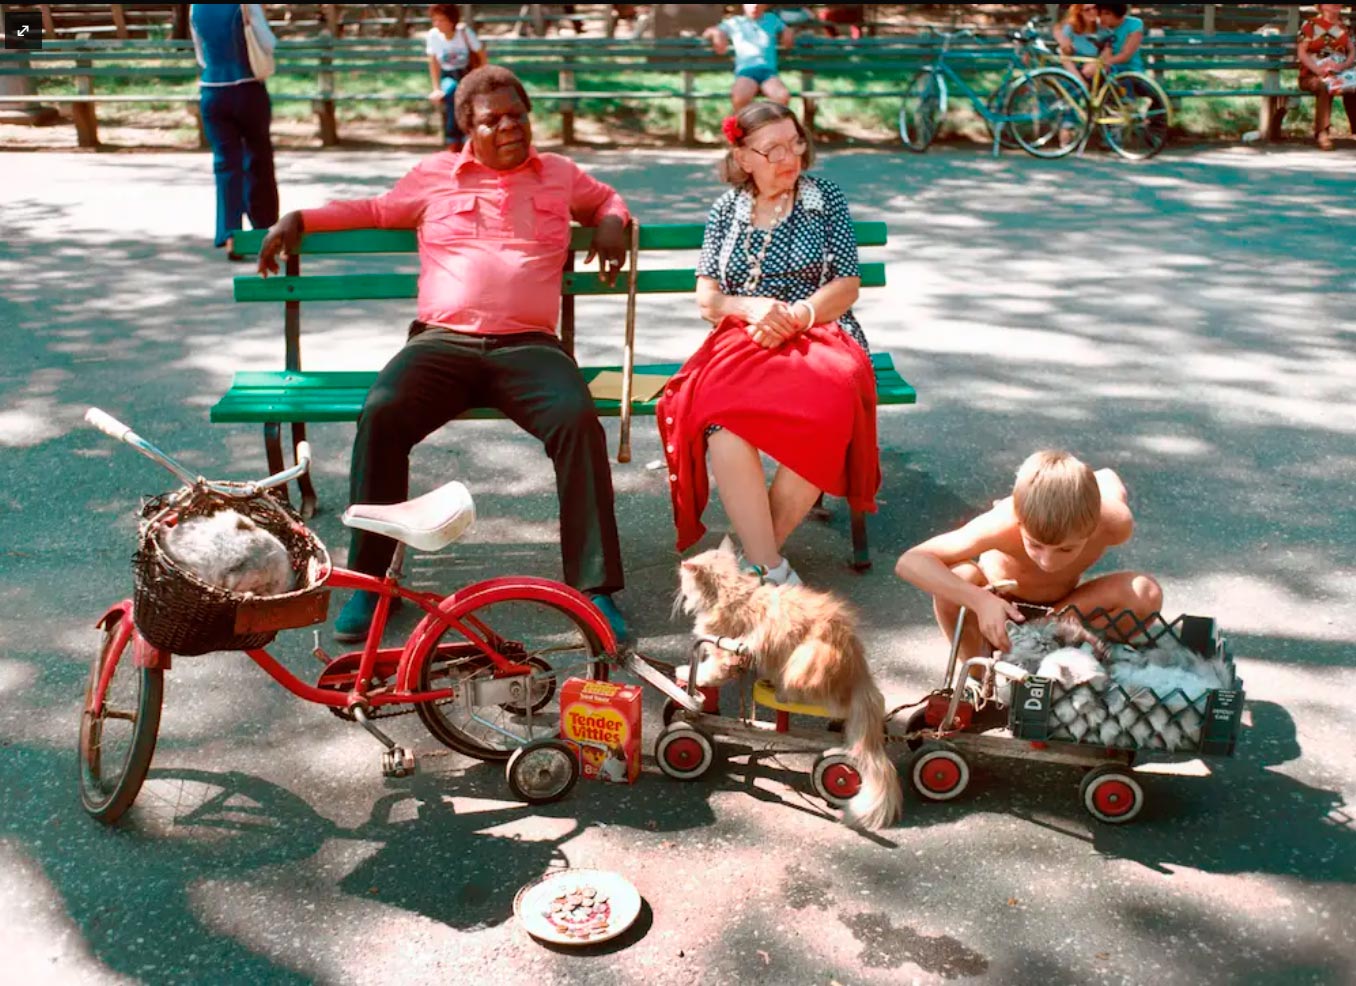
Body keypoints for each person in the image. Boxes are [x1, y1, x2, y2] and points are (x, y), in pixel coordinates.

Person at [255, 66, 633, 643]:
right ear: (468, 129)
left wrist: (610, 221)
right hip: (442, 342)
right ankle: (367, 578)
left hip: (529, 348)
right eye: (494, 119)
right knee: (382, 413)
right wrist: (299, 218)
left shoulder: (557, 175)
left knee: (578, 421)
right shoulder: (435, 176)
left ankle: (595, 589)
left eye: (517, 115)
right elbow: (374, 210)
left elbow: (607, 198)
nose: (510, 126)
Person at [657, 101, 879, 587]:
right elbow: (708, 298)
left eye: (794, 142)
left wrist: (797, 314)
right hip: (746, 335)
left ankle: (752, 568)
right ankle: (768, 567)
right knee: (720, 418)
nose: (789, 156)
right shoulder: (726, 210)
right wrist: (753, 309)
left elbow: (847, 285)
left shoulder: (826, 199)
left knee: (832, 404)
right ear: (743, 158)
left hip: (819, 330)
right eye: (772, 148)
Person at [895, 450, 1163, 661]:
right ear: (1020, 522)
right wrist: (979, 600)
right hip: (998, 604)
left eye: (1066, 549)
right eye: (1034, 545)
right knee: (959, 575)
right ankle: (977, 678)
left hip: (1063, 608)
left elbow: (1107, 476)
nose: (1048, 561)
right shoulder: (1004, 521)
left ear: (1092, 527)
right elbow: (911, 561)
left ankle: (1076, 657)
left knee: (1145, 592)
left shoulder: (1114, 521)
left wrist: (1076, 483)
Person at [190, 3, 279, 262]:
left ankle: (231, 235)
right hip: (247, 88)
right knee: (259, 159)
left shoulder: (195, 7)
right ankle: (265, 230)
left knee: (225, 163)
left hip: (212, 89)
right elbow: (269, 44)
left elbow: (201, 56)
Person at [702, 4, 793, 109]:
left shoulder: (771, 19)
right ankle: (741, 124)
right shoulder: (735, 22)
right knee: (740, 98)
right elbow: (708, 32)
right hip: (746, 72)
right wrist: (717, 33)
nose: (755, 6)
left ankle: (774, 125)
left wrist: (787, 32)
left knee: (782, 97)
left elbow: (786, 33)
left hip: (768, 73)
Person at [426, 4, 486, 152]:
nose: (437, 24)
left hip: (467, 72)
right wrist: (436, 88)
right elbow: (433, 62)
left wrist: (483, 78)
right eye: (435, 20)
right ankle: (453, 138)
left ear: (452, 21)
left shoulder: (464, 33)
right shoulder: (433, 35)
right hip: (448, 74)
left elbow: (481, 56)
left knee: (469, 95)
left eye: (442, 20)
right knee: (451, 91)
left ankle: (471, 135)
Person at [1297, 4, 1356, 151]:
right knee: (1324, 85)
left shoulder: (1343, 26)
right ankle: (1322, 133)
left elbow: (1352, 50)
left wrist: (1342, 66)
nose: (1336, 4)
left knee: (1353, 86)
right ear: (1321, 6)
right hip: (1311, 76)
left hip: (1338, 74)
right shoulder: (1310, 25)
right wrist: (1317, 70)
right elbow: (1302, 53)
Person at [1055, 4, 1106, 81]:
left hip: (1095, 72)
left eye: (1094, 8)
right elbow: (1064, 57)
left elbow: (1109, 52)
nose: (1092, 12)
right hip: (1073, 73)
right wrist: (1080, 81)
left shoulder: (1103, 30)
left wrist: (1097, 65)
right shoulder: (1071, 28)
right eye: (1087, 10)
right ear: (1079, 12)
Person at [1092, 4, 1146, 75]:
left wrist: (1101, 63)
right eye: (1100, 14)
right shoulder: (1100, 27)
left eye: (1107, 13)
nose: (1102, 17)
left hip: (1131, 71)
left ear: (1118, 13)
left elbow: (1125, 55)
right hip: (1107, 71)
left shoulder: (1135, 24)